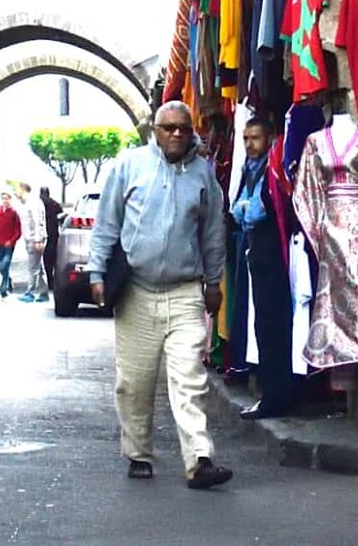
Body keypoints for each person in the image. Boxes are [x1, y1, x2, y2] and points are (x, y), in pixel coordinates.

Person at [87, 100, 232, 489]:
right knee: (134, 382)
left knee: (190, 378)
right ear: (155, 130)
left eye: (184, 129)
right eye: (169, 128)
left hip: (185, 291)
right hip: (137, 290)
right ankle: (138, 452)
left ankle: (199, 459)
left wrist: (214, 283)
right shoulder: (128, 166)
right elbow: (107, 224)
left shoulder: (204, 175)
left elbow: (213, 235)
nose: (177, 135)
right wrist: (97, 271)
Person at [231, 117, 296, 420]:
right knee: (262, 326)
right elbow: (236, 210)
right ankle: (272, 393)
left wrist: (246, 210)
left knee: (273, 326)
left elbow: (255, 211)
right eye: (245, 138)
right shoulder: (249, 170)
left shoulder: (272, 167)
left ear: (269, 138)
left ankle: (277, 397)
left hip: (273, 257)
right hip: (258, 255)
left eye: (254, 138)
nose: (249, 145)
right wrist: (246, 210)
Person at [16, 181, 48, 303]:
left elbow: (37, 221)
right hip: (32, 238)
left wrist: (38, 239)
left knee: (33, 267)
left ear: (23, 189)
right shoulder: (28, 203)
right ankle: (43, 292)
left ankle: (30, 292)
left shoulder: (33, 203)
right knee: (39, 266)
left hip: (34, 239)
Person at [40, 187, 63, 289]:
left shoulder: (39, 204)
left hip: (42, 234)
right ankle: (52, 280)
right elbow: (61, 216)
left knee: (45, 259)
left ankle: (48, 279)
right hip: (53, 234)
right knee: (53, 258)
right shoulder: (55, 204)